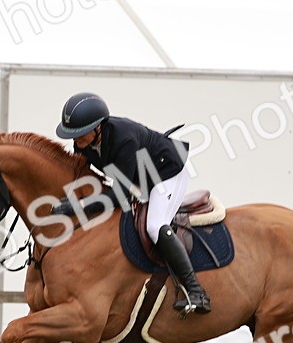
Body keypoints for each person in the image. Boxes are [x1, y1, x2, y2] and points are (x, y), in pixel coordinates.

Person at [56, 92, 211, 315]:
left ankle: (196, 291)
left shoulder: (123, 140)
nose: (75, 139)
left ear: (98, 127)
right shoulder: (84, 144)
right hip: (142, 179)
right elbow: (81, 175)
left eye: (80, 133)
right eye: (73, 134)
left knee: (155, 226)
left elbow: (120, 196)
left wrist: (79, 206)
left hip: (168, 173)